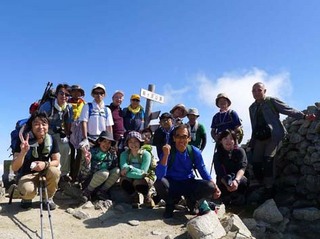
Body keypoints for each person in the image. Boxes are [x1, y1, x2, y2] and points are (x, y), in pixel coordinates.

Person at [249, 82, 316, 196]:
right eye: (254, 90)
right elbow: (253, 125)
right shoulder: (252, 107)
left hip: (273, 136)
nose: (256, 92)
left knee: (268, 161)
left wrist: (304, 116)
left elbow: (288, 109)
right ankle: (262, 185)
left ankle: (269, 189)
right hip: (259, 138)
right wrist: (252, 141)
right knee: (255, 163)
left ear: (265, 91)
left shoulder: (271, 101)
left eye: (259, 90)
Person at [155, 124, 221, 218]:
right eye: (178, 136)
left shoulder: (194, 151)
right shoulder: (168, 151)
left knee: (210, 186)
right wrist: (165, 155)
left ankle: (192, 201)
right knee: (159, 183)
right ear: (174, 138)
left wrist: (215, 186)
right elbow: (160, 175)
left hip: (188, 182)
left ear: (189, 138)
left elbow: (202, 170)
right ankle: (170, 204)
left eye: (184, 136)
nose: (181, 140)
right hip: (172, 183)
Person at [11, 111, 61, 210]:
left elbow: (56, 161)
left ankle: (47, 198)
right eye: (36, 124)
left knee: (54, 171)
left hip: (44, 172)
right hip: (27, 174)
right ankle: (26, 198)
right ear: (31, 126)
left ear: (48, 126)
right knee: (27, 191)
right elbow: (15, 167)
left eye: (44, 124)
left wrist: (45, 164)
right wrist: (23, 152)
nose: (41, 127)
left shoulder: (51, 140)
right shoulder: (22, 141)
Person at [39, 83, 73, 182]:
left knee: (66, 147)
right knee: (45, 147)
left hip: (56, 132)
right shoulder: (48, 105)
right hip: (43, 131)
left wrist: (67, 135)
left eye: (67, 95)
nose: (64, 96)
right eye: (61, 93)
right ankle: (42, 173)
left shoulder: (68, 108)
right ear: (57, 94)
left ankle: (63, 174)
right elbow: (39, 121)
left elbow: (68, 123)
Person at [119, 131, 155, 209]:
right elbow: (123, 170)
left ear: (140, 142)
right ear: (127, 143)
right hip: (134, 177)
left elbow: (143, 172)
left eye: (136, 141)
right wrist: (130, 171)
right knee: (124, 181)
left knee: (138, 182)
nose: (133, 144)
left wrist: (130, 168)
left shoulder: (146, 154)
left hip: (145, 178)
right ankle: (134, 196)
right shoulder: (124, 154)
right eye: (130, 142)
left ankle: (146, 196)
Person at [81, 131, 120, 202]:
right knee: (104, 173)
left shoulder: (111, 154)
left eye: (109, 143)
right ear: (99, 141)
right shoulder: (91, 152)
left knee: (117, 171)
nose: (106, 145)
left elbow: (114, 166)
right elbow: (84, 170)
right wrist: (87, 161)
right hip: (90, 180)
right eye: (104, 141)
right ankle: (87, 192)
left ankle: (101, 192)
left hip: (103, 181)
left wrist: (115, 155)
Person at [214, 130, 249, 205]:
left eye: (231, 138)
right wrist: (227, 185)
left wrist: (236, 181)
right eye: (225, 138)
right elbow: (219, 173)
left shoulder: (240, 151)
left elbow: (242, 168)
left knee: (244, 181)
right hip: (223, 181)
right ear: (221, 141)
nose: (228, 141)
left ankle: (239, 197)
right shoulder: (217, 155)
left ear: (235, 141)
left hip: (238, 180)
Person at [68, 84, 86, 182]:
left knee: (80, 153)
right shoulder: (67, 103)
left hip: (80, 131)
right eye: (74, 91)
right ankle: (69, 174)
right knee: (69, 154)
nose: (76, 93)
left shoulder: (84, 103)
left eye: (78, 91)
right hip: (69, 130)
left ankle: (76, 176)